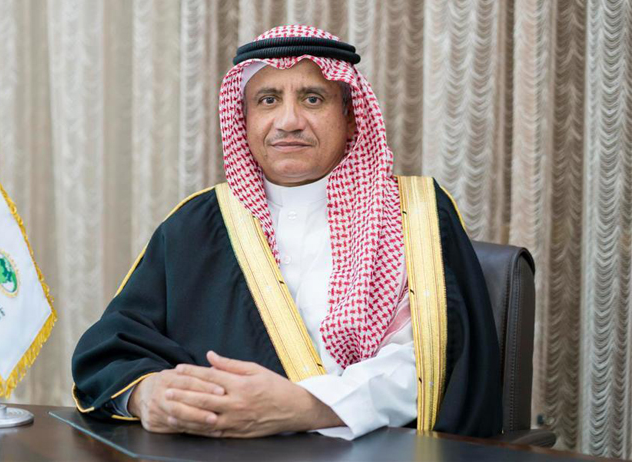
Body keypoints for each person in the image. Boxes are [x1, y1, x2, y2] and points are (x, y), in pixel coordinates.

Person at [71, 25, 502, 440]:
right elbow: (114, 347)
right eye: (268, 100)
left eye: (313, 99)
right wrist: (146, 395)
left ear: (352, 118)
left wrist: (308, 406)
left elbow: (429, 363)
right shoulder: (196, 225)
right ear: (244, 119)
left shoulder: (415, 213)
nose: (289, 121)